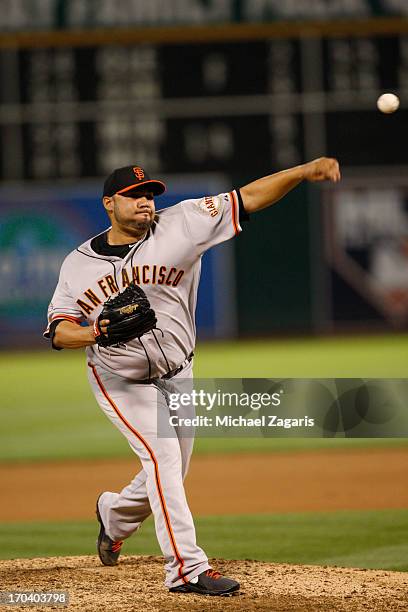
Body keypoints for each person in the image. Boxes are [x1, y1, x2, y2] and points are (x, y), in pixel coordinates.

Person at [44, 158, 340, 596]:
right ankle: (186, 569)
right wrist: (96, 331)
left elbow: (249, 197)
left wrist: (301, 172)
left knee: (171, 470)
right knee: (162, 458)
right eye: (134, 196)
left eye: (150, 195)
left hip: (179, 372)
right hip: (119, 379)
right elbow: (58, 332)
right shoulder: (77, 264)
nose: (146, 202)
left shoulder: (183, 222)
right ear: (109, 203)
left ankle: (114, 516)